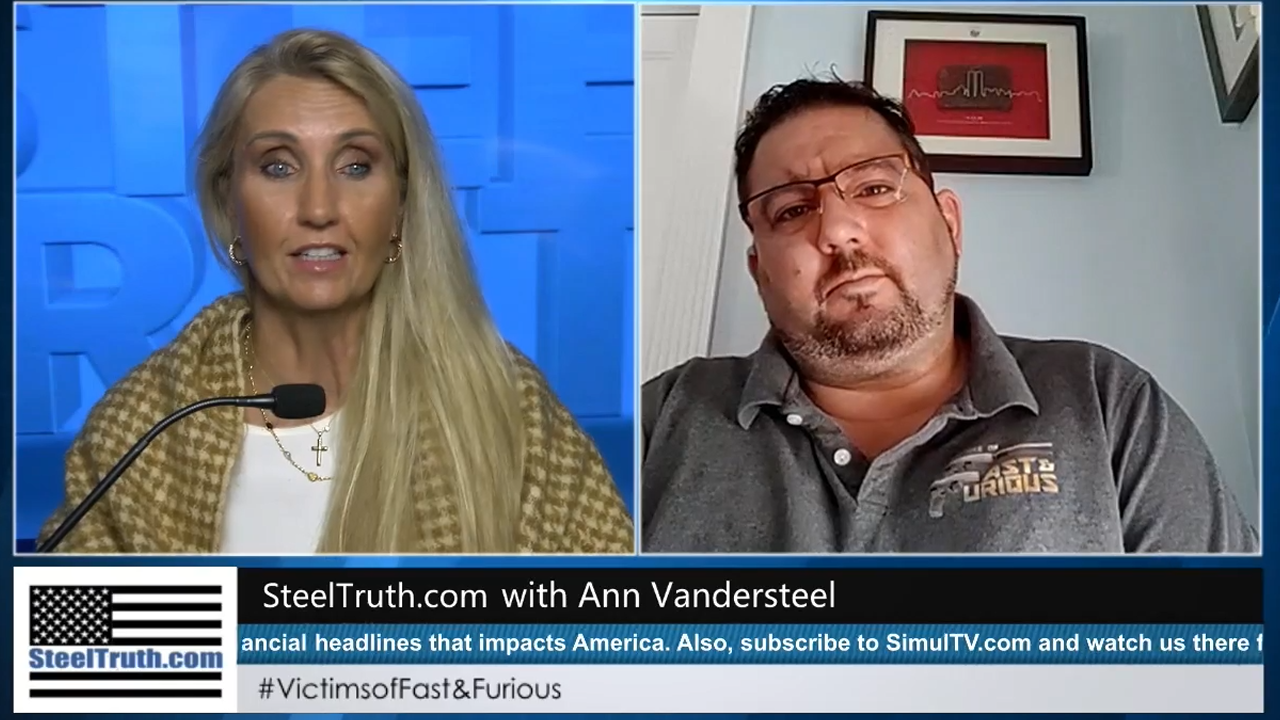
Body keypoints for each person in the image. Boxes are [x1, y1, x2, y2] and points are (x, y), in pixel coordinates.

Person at [39, 29, 634, 555]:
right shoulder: (145, 427)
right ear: (228, 202)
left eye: (355, 166)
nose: (319, 208)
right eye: (279, 167)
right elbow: (67, 640)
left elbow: (620, 626)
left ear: (401, 206)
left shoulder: (507, 404)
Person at [641, 77, 1258, 554]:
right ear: (759, 271)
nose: (837, 229)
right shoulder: (657, 421)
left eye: (874, 188)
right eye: (791, 211)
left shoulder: (1107, 402)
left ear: (949, 223)